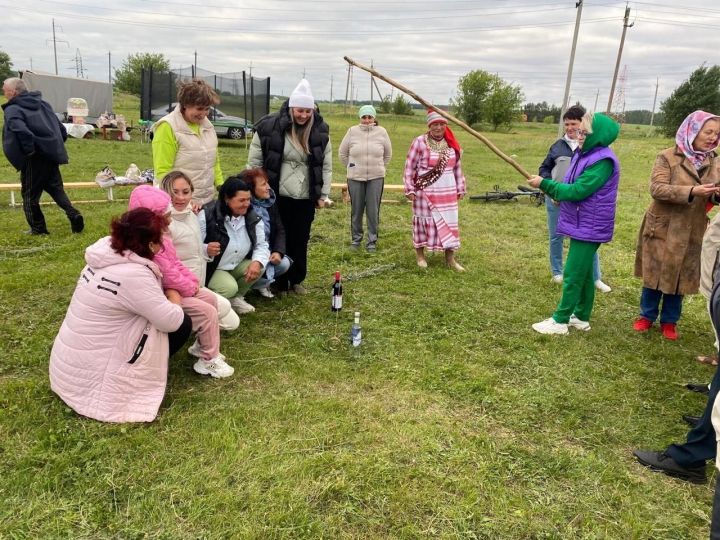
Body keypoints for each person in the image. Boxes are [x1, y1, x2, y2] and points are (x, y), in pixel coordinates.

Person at [49, 208, 191, 423]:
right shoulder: (134, 273)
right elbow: (171, 321)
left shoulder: (105, 255)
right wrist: (174, 296)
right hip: (91, 379)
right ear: (150, 244)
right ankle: (137, 376)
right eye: (159, 240)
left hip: (70, 367)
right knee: (183, 323)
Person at [128, 185, 234, 379]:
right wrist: (189, 287)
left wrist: (192, 283)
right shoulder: (147, 243)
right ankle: (208, 361)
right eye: (166, 215)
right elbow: (167, 274)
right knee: (206, 311)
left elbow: (175, 263)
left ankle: (202, 346)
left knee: (210, 300)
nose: (170, 218)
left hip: (175, 288)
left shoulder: (163, 235)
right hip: (164, 294)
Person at [529, 112, 621, 335]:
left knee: (571, 274)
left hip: (590, 225)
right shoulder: (585, 154)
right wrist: (560, 193)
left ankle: (560, 321)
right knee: (587, 274)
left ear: (597, 134)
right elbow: (572, 184)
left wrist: (546, 184)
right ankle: (580, 317)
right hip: (582, 220)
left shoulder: (602, 161)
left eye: (584, 132)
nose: (579, 135)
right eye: (579, 131)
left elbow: (579, 190)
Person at [633, 111, 720, 340]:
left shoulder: (715, 161)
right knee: (655, 273)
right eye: (708, 131)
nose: (713, 137)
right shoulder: (667, 157)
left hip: (692, 228)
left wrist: (716, 196)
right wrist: (691, 191)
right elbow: (657, 189)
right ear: (693, 131)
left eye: (717, 133)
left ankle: (670, 321)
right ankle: (646, 316)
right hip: (662, 226)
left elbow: (712, 196)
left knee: (681, 276)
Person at [247, 78, 331, 295]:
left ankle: (295, 279)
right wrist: (255, 187)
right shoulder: (268, 126)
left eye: (307, 111)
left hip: (304, 195)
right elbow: (255, 161)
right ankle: (274, 280)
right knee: (274, 235)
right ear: (291, 108)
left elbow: (326, 165)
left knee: (300, 237)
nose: (303, 115)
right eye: (299, 111)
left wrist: (323, 194)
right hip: (276, 193)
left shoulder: (320, 131)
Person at [538, 105, 611, 292]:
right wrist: (550, 190)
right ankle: (557, 272)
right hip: (555, 199)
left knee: (585, 239)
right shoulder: (557, 146)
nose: (570, 128)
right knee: (556, 236)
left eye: (574, 123)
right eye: (567, 124)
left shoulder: (590, 149)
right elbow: (544, 169)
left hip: (579, 201)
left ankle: (595, 277)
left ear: (583, 125)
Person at [2, 77, 84, 235]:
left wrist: (29, 151)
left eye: (4, 89)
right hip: (50, 154)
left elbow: (21, 130)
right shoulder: (42, 104)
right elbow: (60, 129)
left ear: (13, 92)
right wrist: (54, 146)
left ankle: (38, 228)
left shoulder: (13, 109)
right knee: (56, 189)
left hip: (34, 156)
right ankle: (73, 214)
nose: (3, 91)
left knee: (29, 195)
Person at [160, 171, 240, 332]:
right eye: (174, 192)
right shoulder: (164, 222)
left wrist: (206, 249)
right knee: (222, 308)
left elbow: (192, 248)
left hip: (197, 283)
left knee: (232, 322)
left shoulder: (192, 213)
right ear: (165, 193)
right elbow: (166, 260)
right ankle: (187, 325)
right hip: (178, 288)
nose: (181, 198)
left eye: (186, 192)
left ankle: (193, 323)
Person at [403, 109, 466, 271]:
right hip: (425, 192)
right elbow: (409, 167)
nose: (438, 127)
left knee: (449, 223)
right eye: (435, 124)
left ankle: (450, 259)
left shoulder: (451, 144)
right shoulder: (419, 142)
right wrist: (409, 188)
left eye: (441, 124)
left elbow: (457, 168)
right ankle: (420, 256)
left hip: (447, 191)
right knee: (423, 221)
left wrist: (460, 186)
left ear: (446, 125)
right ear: (429, 125)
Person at [200, 174, 270, 314]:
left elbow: (262, 245)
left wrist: (257, 262)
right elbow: (192, 245)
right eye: (241, 200)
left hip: (235, 264)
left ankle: (235, 299)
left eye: (248, 199)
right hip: (213, 267)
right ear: (227, 199)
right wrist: (206, 248)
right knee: (229, 287)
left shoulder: (252, 217)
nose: (246, 204)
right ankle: (212, 304)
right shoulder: (206, 214)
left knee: (259, 267)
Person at [152, 79, 223, 205]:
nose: (204, 114)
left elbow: (213, 159)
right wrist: (182, 200)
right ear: (185, 104)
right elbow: (163, 172)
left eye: (207, 109)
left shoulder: (208, 126)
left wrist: (220, 185)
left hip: (207, 200)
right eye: (199, 108)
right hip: (181, 204)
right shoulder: (167, 127)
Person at [339, 104, 392, 252]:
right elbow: (343, 154)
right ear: (360, 118)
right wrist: (351, 167)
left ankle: (371, 242)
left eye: (370, 117)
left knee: (373, 210)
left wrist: (380, 166)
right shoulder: (352, 131)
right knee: (356, 210)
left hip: (376, 177)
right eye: (364, 117)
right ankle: (356, 240)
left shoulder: (382, 132)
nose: (367, 120)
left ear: (374, 117)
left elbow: (387, 154)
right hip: (355, 177)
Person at [241, 167, 292, 298]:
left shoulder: (270, 202)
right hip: (248, 254)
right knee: (259, 264)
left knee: (284, 263)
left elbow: (280, 229)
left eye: (267, 183)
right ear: (251, 189)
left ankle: (260, 284)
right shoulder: (243, 207)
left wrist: (277, 251)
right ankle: (240, 290)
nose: (268, 187)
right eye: (263, 184)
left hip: (266, 250)